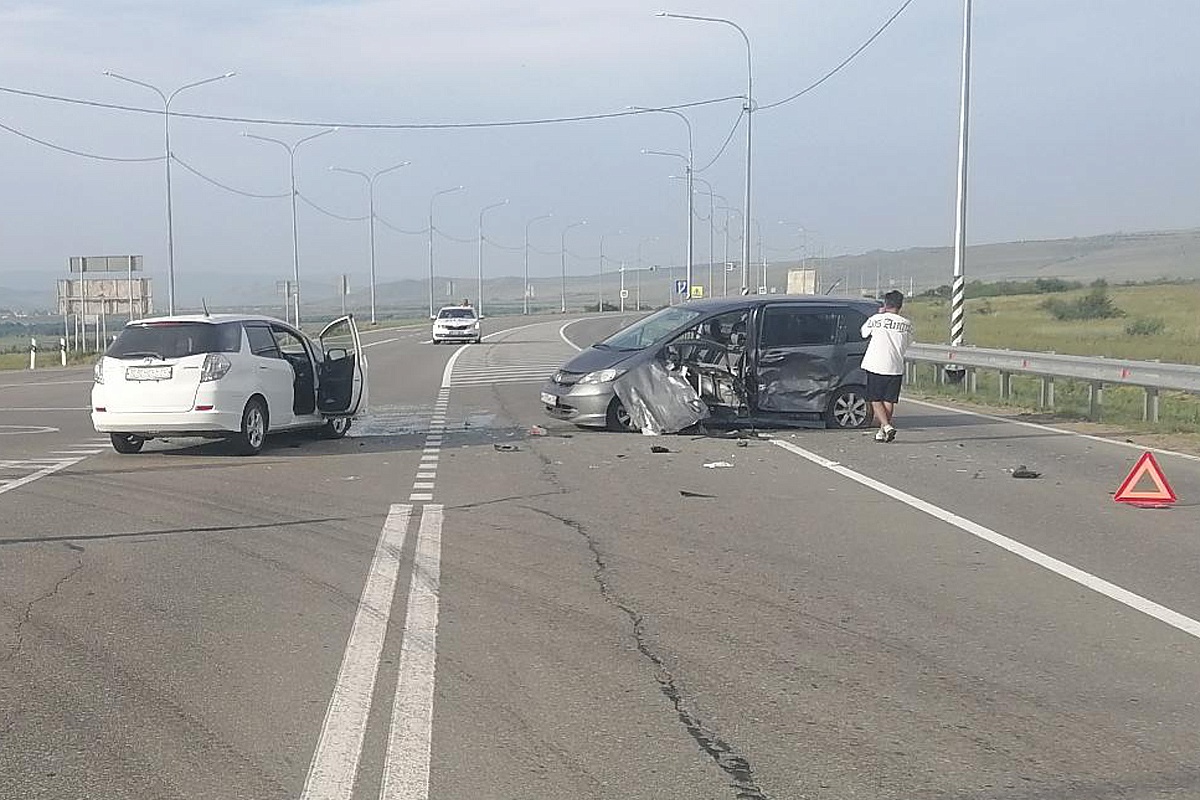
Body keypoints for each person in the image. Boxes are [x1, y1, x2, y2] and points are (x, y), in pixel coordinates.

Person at [860, 290, 913, 442]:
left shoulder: (876, 319)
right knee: (889, 400)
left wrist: (880, 313)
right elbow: (908, 343)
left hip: (875, 364)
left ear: (885, 303)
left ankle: (887, 426)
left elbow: (864, 333)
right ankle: (882, 431)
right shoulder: (906, 324)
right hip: (895, 366)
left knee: (875, 399)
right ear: (900, 305)